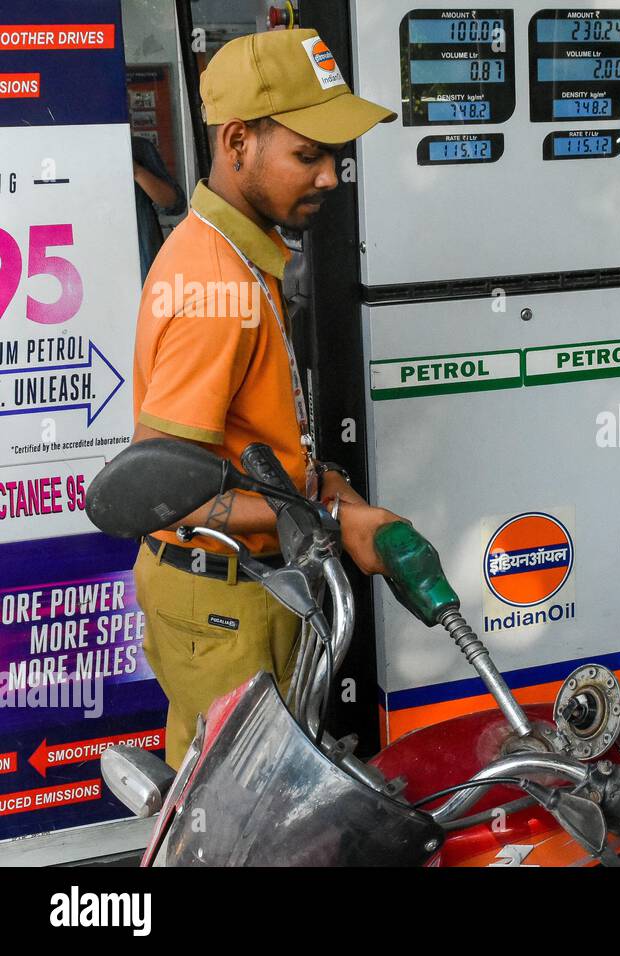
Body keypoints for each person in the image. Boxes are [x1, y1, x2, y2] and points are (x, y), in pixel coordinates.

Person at [131, 28, 400, 767]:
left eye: (335, 157)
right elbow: (162, 491)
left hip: (250, 584)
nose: (330, 179)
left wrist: (331, 490)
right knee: (245, 815)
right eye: (308, 155)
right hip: (222, 600)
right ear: (239, 142)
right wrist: (329, 518)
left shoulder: (242, 257)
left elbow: (260, 436)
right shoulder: (216, 288)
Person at [132, 135, 186, 283]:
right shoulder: (71, 152)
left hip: (147, 271)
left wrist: (136, 170)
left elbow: (174, 204)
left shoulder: (137, 148)